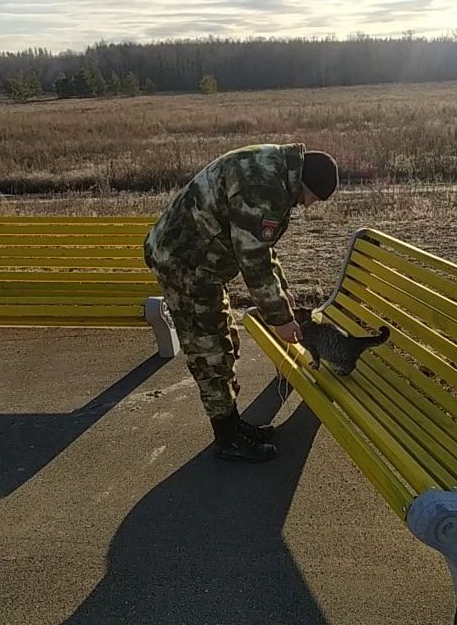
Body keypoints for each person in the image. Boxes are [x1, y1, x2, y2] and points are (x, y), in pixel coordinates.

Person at [143, 143, 339, 462]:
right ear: (305, 184)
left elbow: (262, 246)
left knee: (224, 341)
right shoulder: (265, 186)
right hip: (185, 263)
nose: (306, 205)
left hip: (199, 261)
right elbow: (253, 259)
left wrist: (282, 293)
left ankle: (232, 424)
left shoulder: (277, 170)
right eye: (311, 198)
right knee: (210, 351)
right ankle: (227, 438)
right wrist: (280, 319)